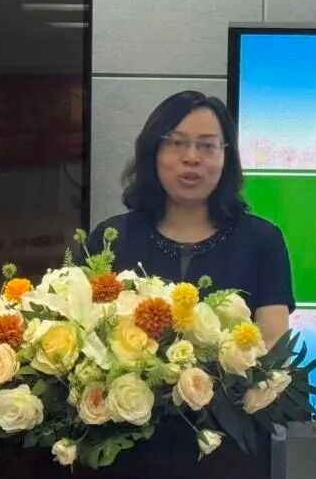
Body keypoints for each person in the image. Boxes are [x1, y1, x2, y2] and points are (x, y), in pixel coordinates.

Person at [85, 90, 294, 348]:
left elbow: (274, 346)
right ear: (154, 152)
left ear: (226, 157)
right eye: (176, 143)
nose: (192, 158)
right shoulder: (111, 240)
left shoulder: (262, 241)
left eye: (207, 146)